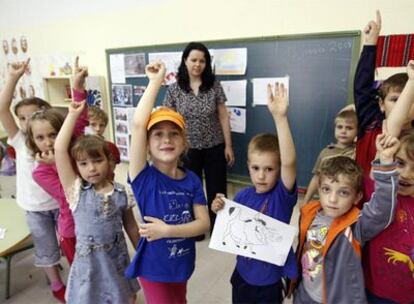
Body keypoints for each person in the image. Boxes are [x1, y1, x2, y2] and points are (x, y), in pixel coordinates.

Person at [125, 61, 210, 304]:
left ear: (184, 143)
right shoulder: (143, 177)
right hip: (153, 267)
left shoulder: (192, 180)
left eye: (174, 134)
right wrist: (155, 82)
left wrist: (168, 231)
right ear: (147, 145)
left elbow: (203, 224)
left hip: (181, 263)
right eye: (158, 134)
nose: (166, 140)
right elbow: (139, 125)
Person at [212, 82, 298, 304]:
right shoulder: (242, 196)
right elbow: (231, 227)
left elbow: (289, 162)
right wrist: (219, 207)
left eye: (269, 169)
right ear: (248, 166)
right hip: (242, 275)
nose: (261, 176)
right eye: (256, 168)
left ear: (279, 171)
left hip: (268, 282)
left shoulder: (281, 196)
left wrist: (280, 118)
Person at [291, 131, 399, 303]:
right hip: (305, 295)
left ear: (356, 197)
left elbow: (382, 210)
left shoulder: (356, 225)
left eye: (343, 192)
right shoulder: (308, 214)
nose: (332, 199)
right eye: (327, 189)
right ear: (319, 190)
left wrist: (386, 162)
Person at [54, 101, 140, 304]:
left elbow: (131, 227)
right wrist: (72, 116)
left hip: (116, 259)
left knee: (123, 296)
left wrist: (143, 254)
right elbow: (59, 149)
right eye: (83, 163)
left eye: (97, 161)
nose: (91, 168)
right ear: (76, 166)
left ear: (109, 161)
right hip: (89, 264)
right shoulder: (75, 192)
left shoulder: (122, 192)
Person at [0, 58, 66, 302]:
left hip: (62, 206)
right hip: (35, 209)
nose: (27, 122)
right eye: (22, 118)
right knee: (46, 248)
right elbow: (1, 108)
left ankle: (80, 274)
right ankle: (57, 284)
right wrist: (14, 78)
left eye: (33, 116)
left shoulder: (57, 142)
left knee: (72, 243)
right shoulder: (19, 141)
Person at [163, 42, 234, 233]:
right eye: (193, 60)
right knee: (189, 190)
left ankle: (219, 229)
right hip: (187, 149)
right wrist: (170, 150)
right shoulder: (174, 89)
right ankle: (195, 228)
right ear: (185, 61)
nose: (197, 64)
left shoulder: (214, 86)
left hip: (215, 146)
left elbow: (223, 116)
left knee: (217, 188)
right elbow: (169, 122)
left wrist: (228, 145)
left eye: (202, 61)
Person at [28, 57, 89, 265]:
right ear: (33, 141)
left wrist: (78, 87)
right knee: (84, 277)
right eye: (40, 138)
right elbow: (70, 194)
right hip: (73, 230)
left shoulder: (74, 143)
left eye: (53, 134)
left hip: (94, 221)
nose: (47, 142)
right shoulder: (40, 172)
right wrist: (56, 162)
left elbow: (79, 117)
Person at [362, 60, 414, 304]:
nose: (406, 174)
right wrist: (412, 83)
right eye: (400, 164)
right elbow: (392, 131)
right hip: (377, 290)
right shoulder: (383, 194)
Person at [354, 10, 414, 177]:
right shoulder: (371, 122)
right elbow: (362, 88)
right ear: (381, 104)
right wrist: (370, 43)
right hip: (364, 201)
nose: (403, 105)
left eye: (410, 100)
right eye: (395, 99)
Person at [303, 109, 357, 204]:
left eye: (349, 128)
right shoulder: (326, 153)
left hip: (347, 200)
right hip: (327, 200)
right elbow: (316, 178)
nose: (343, 131)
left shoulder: (357, 150)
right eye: (340, 127)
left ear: (357, 131)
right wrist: (306, 200)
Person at [87, 105, 121, 173]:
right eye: (93, 124)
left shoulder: (111, 147)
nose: (98, 129)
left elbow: (110, 172)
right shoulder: (78, 147)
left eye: (101, 125)